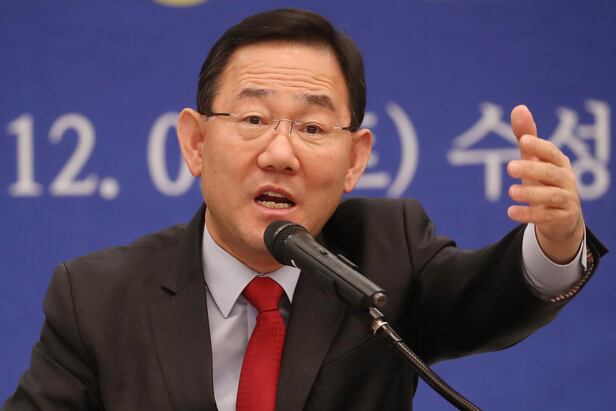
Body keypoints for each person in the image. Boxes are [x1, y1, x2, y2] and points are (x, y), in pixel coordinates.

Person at [2, 8, 607, 411]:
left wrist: (556, 241)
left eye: (313, 127)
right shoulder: (97, 299)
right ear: (195, 142)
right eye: (253, 118)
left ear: (355, 159)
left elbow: (488, 298)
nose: (280, 153)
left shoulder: (386, 252)